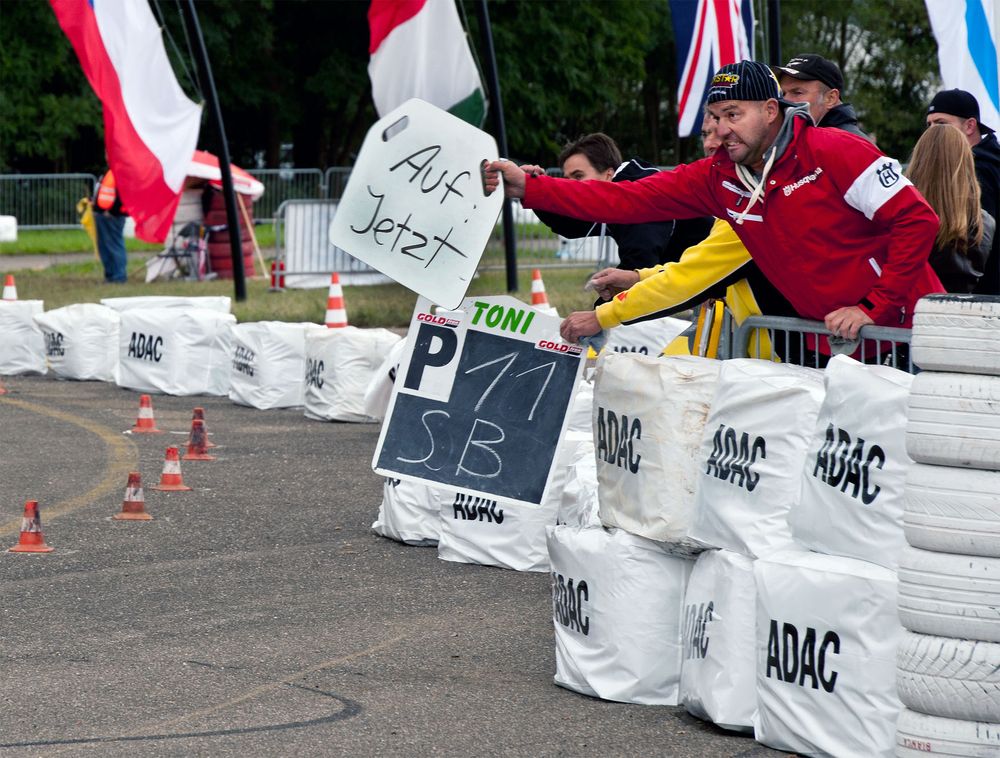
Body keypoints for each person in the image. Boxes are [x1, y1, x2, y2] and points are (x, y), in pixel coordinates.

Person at [485, 60, 943, 343]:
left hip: (907, 332)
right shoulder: (718, 178)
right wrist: (531, 189)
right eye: (715, 117)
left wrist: (872, 306)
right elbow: (623, 199)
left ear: (769, 110)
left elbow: (918, 220)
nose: (722, 129)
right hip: (835, 342)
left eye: (733, 114)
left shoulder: (834, 151)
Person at [528, 133, 713, 270]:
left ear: (609, 174)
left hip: (722, 278)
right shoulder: (615, 192)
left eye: (578, 177)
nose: (571, 186)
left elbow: (639, 263)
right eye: (567, 180)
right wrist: (533, 189)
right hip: (702, 280)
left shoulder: (638, 188)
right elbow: (571, 225)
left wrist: (599, 315)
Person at [905, 124, 995, 293]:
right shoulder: (985, 222)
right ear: (967, 162)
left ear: (919, 161)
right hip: (961, 313)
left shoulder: (905, 217)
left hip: (908, 311)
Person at [926, 88, 1000, 294]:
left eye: (941, 124)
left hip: (981, 298)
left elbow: (976, 242)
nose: (933, 131)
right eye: (929, 125)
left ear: (970, 125)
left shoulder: (977, 169)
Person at [774, 54, 870, 140]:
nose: (785, 100)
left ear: (830, 99)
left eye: (797, 93)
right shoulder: (796, 139)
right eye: (783, 94)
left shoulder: (853, 145)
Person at [93, 169, 128, 283]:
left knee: (114, 246)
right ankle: (111, 275)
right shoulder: (110, 172)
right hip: (103, 215)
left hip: (113, 216)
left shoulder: (120, 172)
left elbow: (123, 193)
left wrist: (112, 211)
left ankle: (119, 276)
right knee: (105, 247)